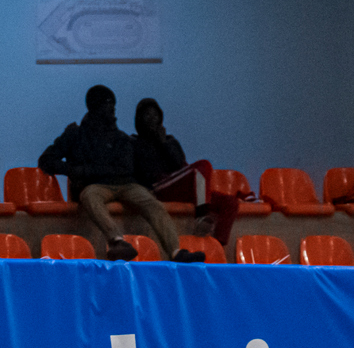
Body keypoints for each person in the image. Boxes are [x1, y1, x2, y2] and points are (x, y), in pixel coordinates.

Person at [39, 84, 190, 261]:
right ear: (94, 106)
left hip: (126, 184)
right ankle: (117, 241)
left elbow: (125, 168)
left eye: (112, 104)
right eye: (107, 103)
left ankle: (176, 251)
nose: (112, 108)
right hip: (97, 186)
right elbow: (46, 160)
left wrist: (84, 170)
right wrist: (72, 170)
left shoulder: (121, 138)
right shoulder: (75, 134)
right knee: (89, 196)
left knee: (153, 204)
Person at [131, 97, 240, 251]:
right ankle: (201, 215)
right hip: (158, 187)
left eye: (155, 115)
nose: (152, 119)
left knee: (230, 202)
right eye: (147, 115)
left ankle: (217, 248)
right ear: (139, 119)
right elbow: (143, 171)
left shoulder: (170, 141)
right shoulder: (134, 143)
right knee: (203, 165)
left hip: (179, 185)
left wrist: (163, 143)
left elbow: (178, 163)